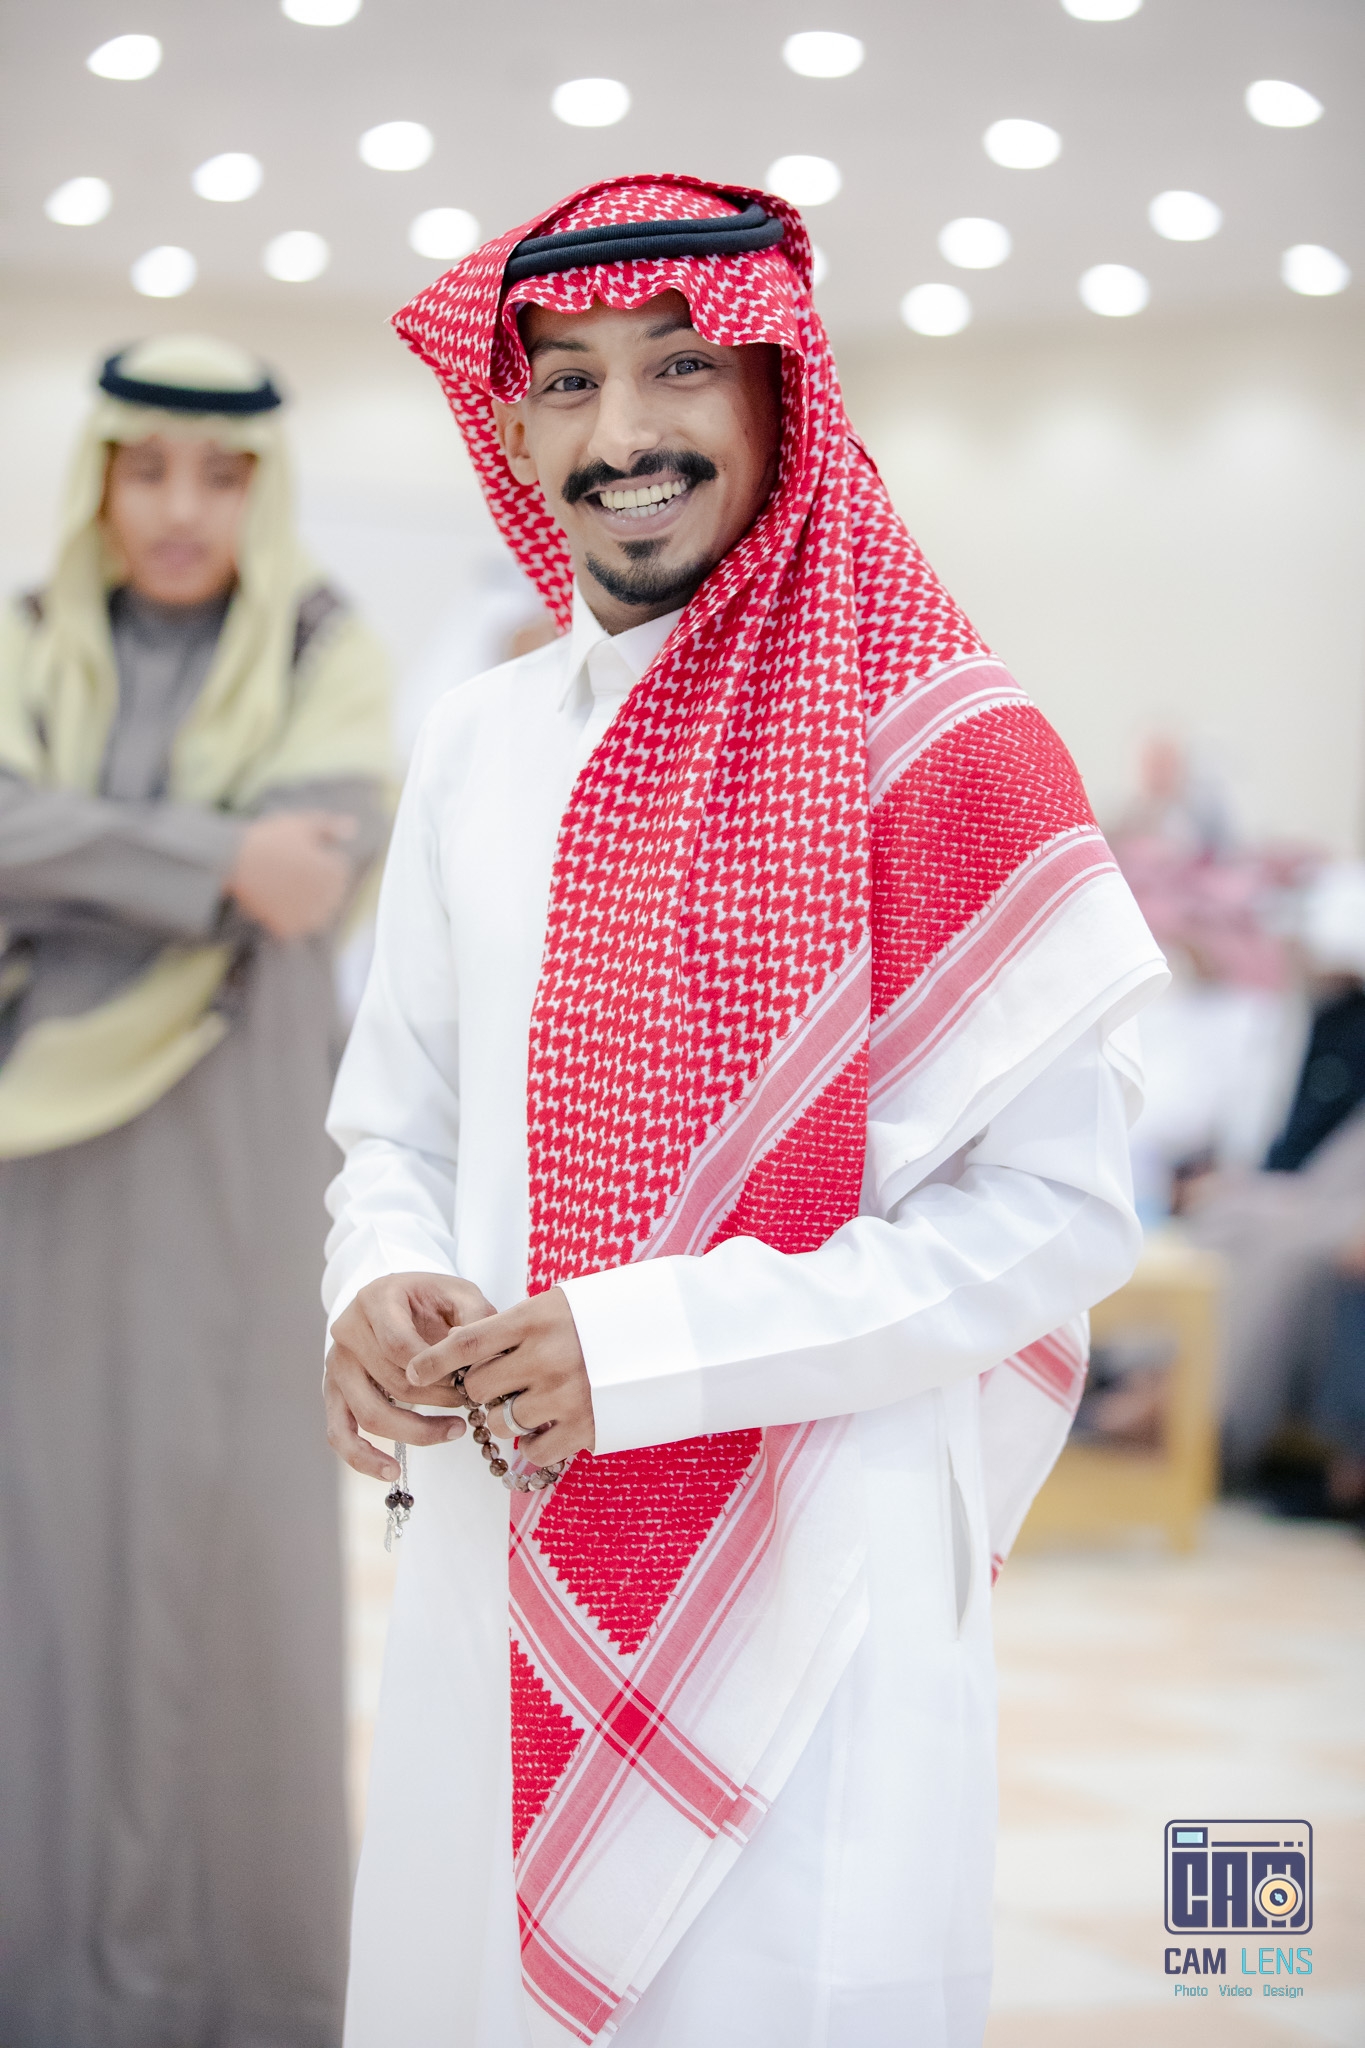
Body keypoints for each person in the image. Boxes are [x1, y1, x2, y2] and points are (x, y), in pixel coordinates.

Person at [322, 176, 1166, 2048]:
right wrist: (373, 1275)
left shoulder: (945, 750)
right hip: (492, 1535)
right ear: (513, 427)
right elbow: (397, 1123)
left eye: (679, 366)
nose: (620, 433)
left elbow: (1054, 1216)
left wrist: (649, 1351)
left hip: (814, 1585)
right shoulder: (475, 745)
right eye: (566, 381)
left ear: (786, 390)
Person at [0, 335, 392, 2048]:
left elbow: (314, 875)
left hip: (240, 1162)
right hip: (40, 1166)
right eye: (146, 470)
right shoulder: (29, 636)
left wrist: (67, 851)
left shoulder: (323, 647)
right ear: (98, 476)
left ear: (263, 489)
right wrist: (212, 856)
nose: (179, 509)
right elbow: (253, 868)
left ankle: (250, 1996)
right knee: (41, 1567)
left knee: (239, 1569)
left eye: (221, 476)